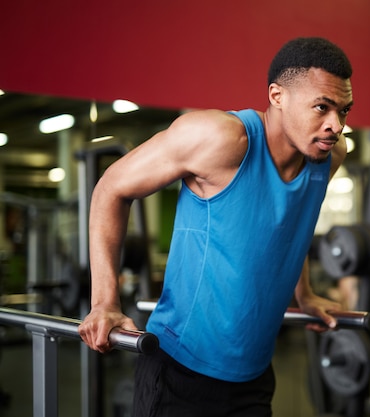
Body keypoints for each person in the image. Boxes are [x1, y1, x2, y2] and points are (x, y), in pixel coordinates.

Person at [78, 36, 354, 417]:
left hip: (254, 376)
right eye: (322, 107)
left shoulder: (328, 156)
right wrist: (105, 302)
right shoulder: (222, 138)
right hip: (179, 371)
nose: (335, 126)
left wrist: (304, 293)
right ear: (277, 96)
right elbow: (111, 188)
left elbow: (292, 223)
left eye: (344, 110)